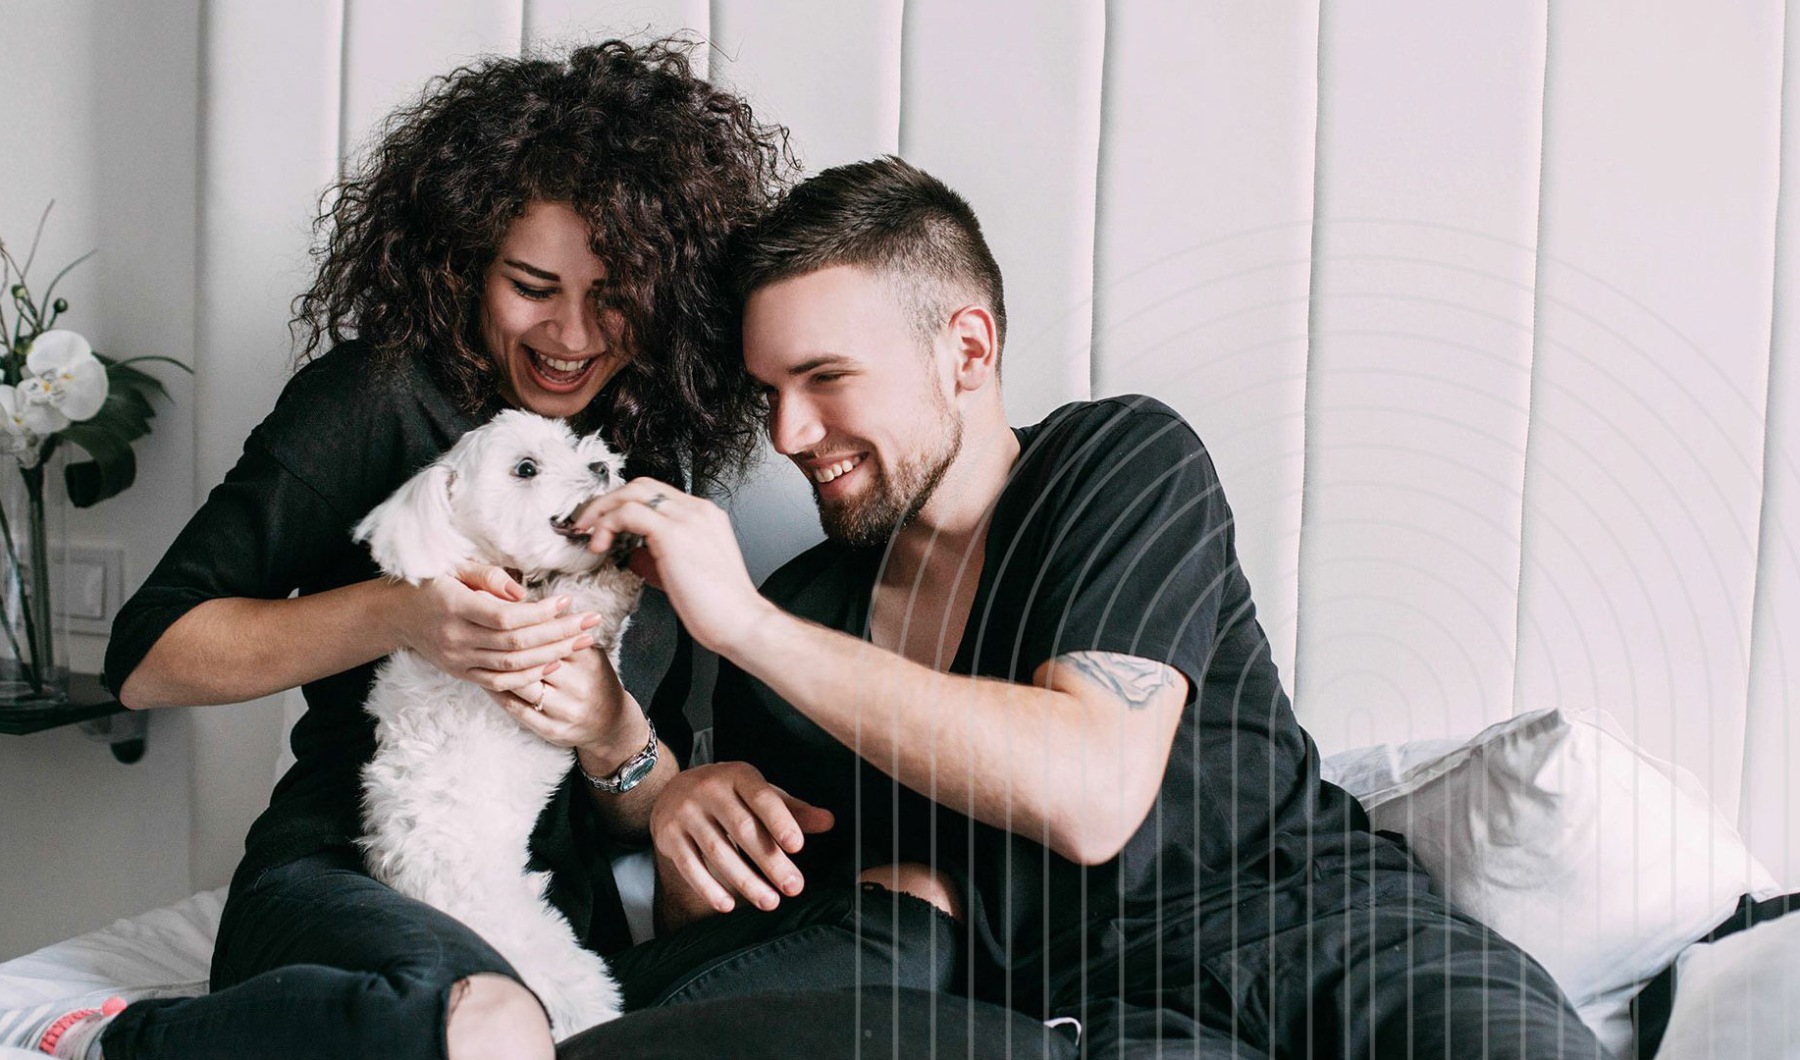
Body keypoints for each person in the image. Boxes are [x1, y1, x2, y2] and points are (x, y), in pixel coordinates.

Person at [568, 156, 1613, 1059]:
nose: (791, 432)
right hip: (1097, 1021)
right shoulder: (801, 621)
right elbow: (795, 955)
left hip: (1327, 938)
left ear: (968, 349)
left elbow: (1091, 790)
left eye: (825, 378)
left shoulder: (1116, 464)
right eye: (769, 393)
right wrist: (681, 825)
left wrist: (747, 623)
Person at [6, 40, 791, 1060]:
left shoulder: (642, 471)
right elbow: (147, 660)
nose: (571, 333)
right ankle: (135, 1041)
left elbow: (641, 799)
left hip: (552, 913)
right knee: (494, 1023)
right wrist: (403, 612)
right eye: (531, 284)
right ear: (464, 263)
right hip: (345, 878)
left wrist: (612, 731)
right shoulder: (375, 399)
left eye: (614, 296)